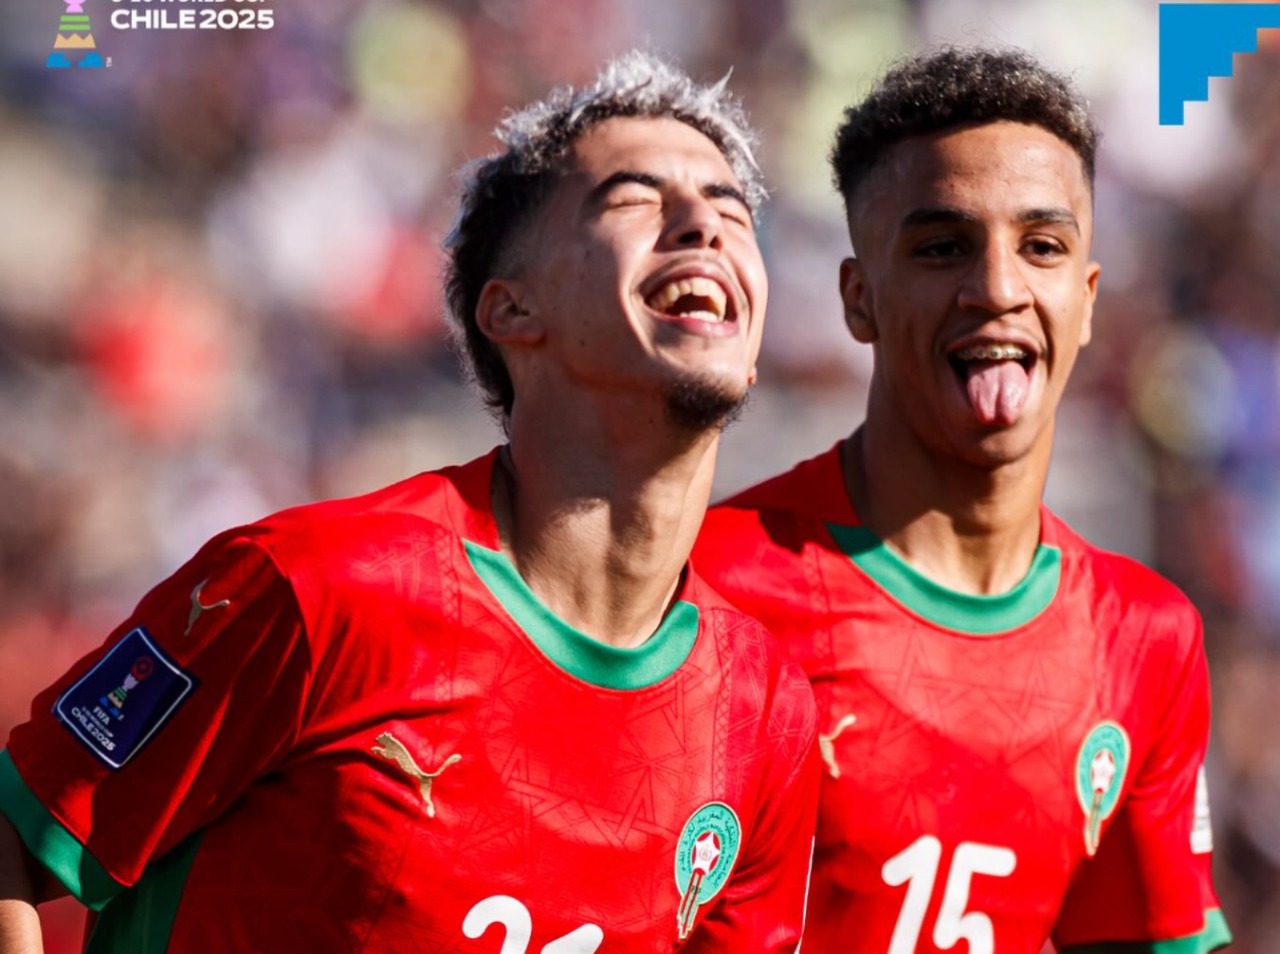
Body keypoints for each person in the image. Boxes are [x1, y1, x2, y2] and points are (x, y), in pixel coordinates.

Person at [0, 52, 820, 952]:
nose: (703, 223)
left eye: (732, 207)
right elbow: (15, 849)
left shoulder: (763, 706)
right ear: (511, 312)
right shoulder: (320, 591)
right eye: (635, 199)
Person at [694, 47, 1231, 953]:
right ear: (859, 299)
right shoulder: (712, 592)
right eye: (943, 248)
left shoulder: (1147, 641)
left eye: (1044, 247)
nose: (998, 289)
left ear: (1088, 298)